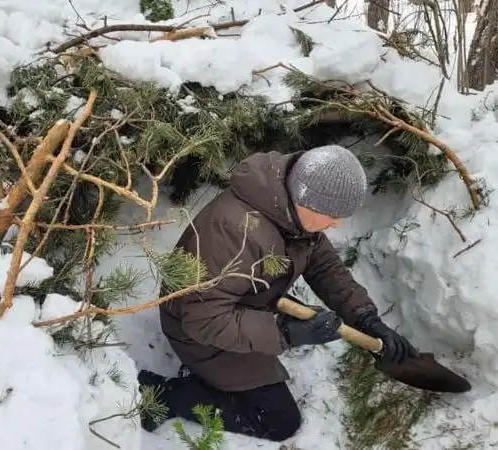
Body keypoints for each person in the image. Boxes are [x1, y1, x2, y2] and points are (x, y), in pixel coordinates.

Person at [137, 145, 419, 442]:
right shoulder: (232, 230)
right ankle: (169, 395)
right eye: (332, 215)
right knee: (278, 421)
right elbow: (203, 320)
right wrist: (286, 333)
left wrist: (367, 318)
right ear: (305, 199)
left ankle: (223, 374)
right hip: (198, 332)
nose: (336, 224)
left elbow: (325, 269)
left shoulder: (289, 210)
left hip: (247, 304)